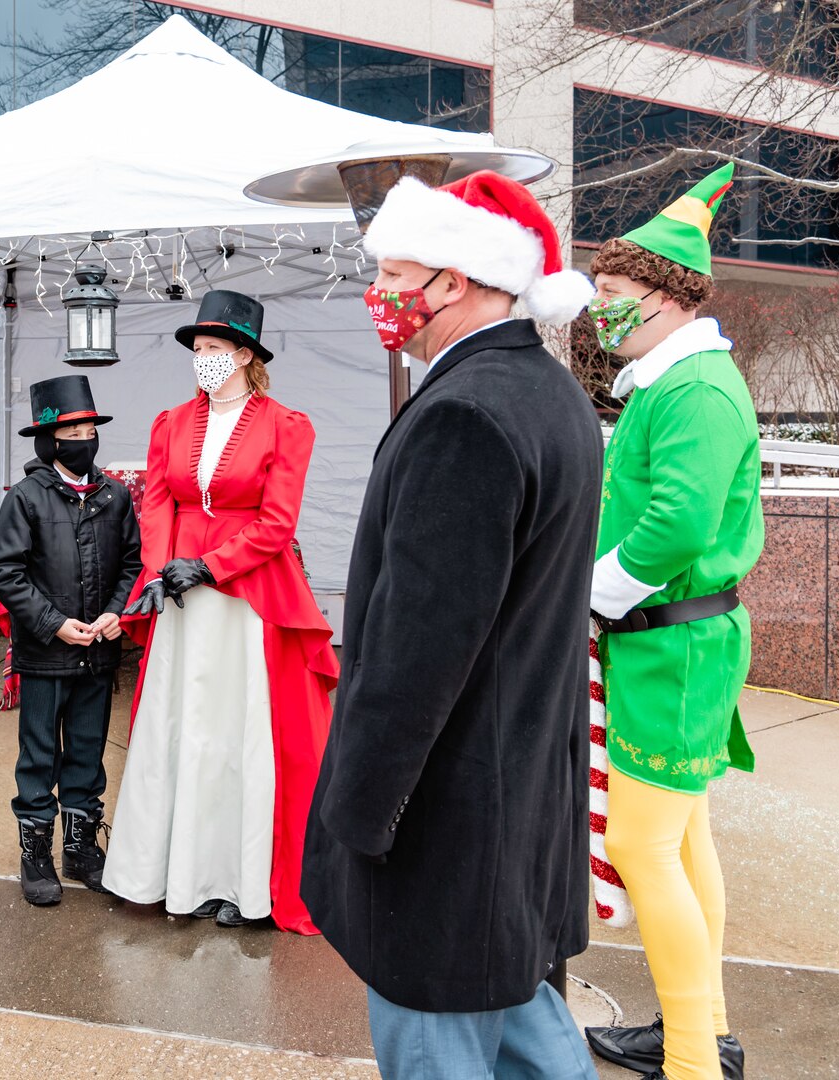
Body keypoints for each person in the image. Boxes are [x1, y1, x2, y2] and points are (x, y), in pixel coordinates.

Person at [300, 171, 603, 1079]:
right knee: (517, 1011)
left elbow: (414, 651)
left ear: (457, 278)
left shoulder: (465, 413)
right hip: (512, 796)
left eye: (396, 273)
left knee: (437, 1026)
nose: (381, 295)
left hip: (448, 816)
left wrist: (360, 807)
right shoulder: (552, 396)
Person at [581, 164, 757, 1080]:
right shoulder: (675, 381)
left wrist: (593, 590)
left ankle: (693, 1059)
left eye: (610, 293)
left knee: (642, 846)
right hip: (674, 644)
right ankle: (702, 1031)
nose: (597, 308)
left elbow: (680, 522)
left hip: (672, 647)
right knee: (683, 844)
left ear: (661, 295)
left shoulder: (694, 389)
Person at [104, 289, 339, 933]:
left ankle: (245, 881)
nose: (202, 359)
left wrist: (209, 565)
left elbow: (276, 522)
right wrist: (159, 569)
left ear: (243, 354)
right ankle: (173, 872)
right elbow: (155, 503)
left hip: (247, 594)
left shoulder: (287, 425)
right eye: (197, 350)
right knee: (184, 730)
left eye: (213, 349)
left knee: (242, 736)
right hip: (181, 595)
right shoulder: (170, 423)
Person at [0, 375, 143, 906]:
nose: (82, 438)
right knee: (37, 757)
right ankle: (36, 855)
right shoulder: (26, 499)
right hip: (44, 654)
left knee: (86, 752)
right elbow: (6, 573)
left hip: (98, 655)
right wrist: (53, 622)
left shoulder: (115, 495)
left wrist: (114, 611)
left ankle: (80, 849)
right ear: (49, 439)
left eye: (88, 428)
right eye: (70, 430)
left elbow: (131, 564)